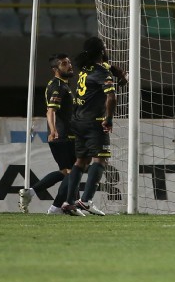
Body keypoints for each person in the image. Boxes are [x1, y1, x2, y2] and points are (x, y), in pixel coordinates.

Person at [19, 54, 82, 215]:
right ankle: (58, 207)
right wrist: (53, 130)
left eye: (69, 62)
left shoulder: (64, 85)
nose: (69, 65)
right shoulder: (57, 86)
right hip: (62, 136)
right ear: (55, 69)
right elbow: (51, 111)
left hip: (68, 135)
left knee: (65, 172)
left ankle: (32, 193)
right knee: (72, 171)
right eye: (64, 64)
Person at [61, 37, 117, 216]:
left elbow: (108, 67)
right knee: (100, 159)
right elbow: (111, 97)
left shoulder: (85, 69)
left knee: (80, 161)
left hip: (78, 120)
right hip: (94, 122)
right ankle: (85, 201)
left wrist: (121, 74)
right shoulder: (102, 72)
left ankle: (69, 202)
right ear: (101, 51)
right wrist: (108, 119)